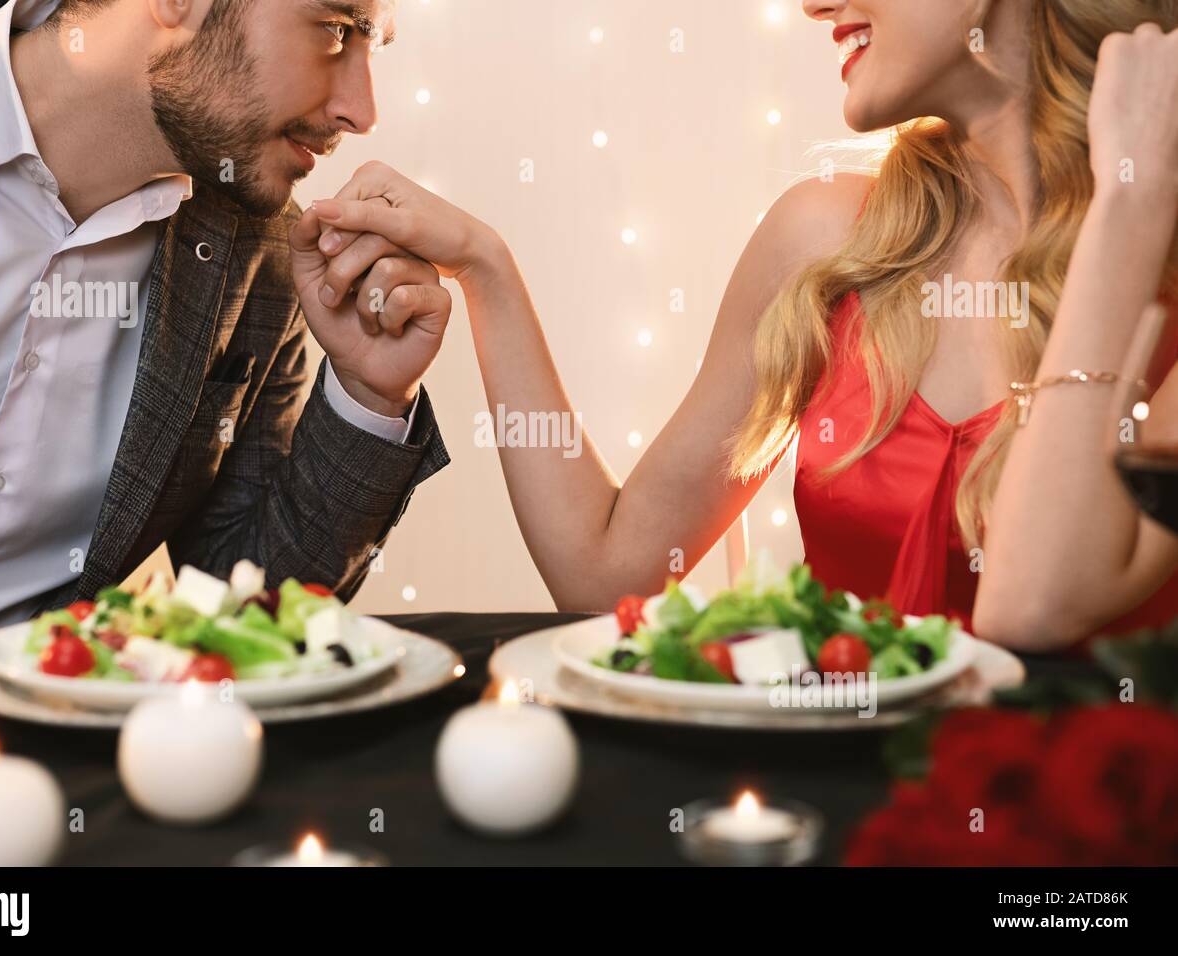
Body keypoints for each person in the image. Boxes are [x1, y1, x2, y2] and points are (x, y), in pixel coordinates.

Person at [306, 0, 1178, 651]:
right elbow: (608, 575)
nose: (814, 3)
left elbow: (1030, 604)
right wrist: (485, 268)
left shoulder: (1155, 260)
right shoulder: (830, 241)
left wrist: (1131, 208)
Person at [0, 0, 450, 664]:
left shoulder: (264, 253)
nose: (362, 109)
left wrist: (368, 393)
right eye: (334, 29)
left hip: (64, 749)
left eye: (371, 45)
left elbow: (250, 604)